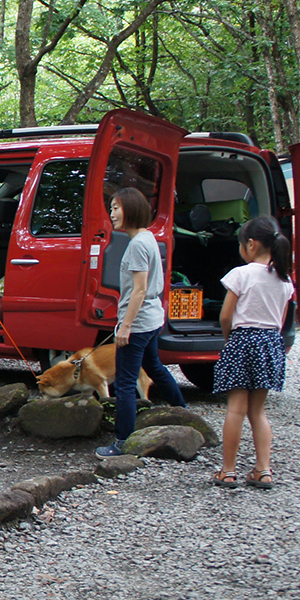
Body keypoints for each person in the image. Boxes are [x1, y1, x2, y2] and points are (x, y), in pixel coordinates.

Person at [95, 187, 188, 458]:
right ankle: (181, 411)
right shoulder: (148, 238)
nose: (112, 214)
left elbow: (139, 289)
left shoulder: (136, 245)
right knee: (154, 367)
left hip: (137, 324)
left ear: (131, 209)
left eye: (116, 207)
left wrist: (125, 326)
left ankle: (122, 442)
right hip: (152, 319)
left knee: (124, 382)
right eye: (111, 208)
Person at [211, 216, 295, 489]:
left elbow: (226, 316)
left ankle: (229, 471)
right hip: (271, 342)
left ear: (250, 244)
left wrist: (229, 340)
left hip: (242, 339)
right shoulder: (284, 280)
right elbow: (281, 321)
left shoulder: (241, 274)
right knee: (258, 411)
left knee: (235, 409)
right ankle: (263, 470)